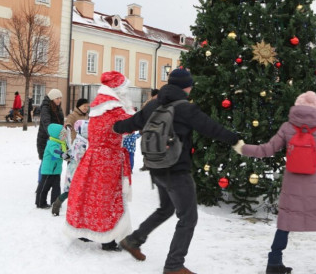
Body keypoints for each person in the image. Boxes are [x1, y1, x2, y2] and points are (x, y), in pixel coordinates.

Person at [114, 68, 239, 274]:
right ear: (186, 87)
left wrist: (114, 126)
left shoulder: (154, 104)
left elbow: (132, 123)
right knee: (188, 218)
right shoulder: (185, 108)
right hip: (177, 171)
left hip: (156, 167)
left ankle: (133, 240)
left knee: (166, 209)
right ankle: (173, 265)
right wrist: (234, 139)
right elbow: (210, 127)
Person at [233, 91, 316, 274]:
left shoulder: (287, 128)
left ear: (297, 107)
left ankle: (274, 263)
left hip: (292, 184)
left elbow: (267, 149)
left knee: (285, 223)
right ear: (315, 108)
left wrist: (243, 148)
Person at [65, 71, 134, 252]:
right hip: (108, 160)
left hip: (93, 157)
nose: (125, 92)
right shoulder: (113, 107)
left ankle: (85, 231)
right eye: (123, 88)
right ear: (116, 89)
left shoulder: (98, 105)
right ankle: (108, 239)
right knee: (107, 199)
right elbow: (130, 127)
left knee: (88, 195)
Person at [51, 120, 89, 216]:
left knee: (71, 190)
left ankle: (59, 203)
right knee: (74, 189)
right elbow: (78, 156)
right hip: (76, 169)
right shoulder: (82, 143)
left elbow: (72, 153)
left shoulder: (79, 139)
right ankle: (58, 204)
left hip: (73, 168)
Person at [35, 123, 68, 208]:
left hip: (56, 170)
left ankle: (55, 203)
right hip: (48, 170)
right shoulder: (52, 143)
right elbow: (55, 151)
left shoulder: (61, 143)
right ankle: (40, 203)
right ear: (57, 135)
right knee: (44, 187)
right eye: (63, 134)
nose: (65, 136)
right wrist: (62, 154)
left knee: (56, 188)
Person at [36, 89, 65, 160]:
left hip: (56, 138)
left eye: (60, 98)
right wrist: (53, 136)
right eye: (57, 98)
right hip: (46, 138)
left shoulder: (58, 107)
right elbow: (47, 123)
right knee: (46, 161)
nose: (59, 100)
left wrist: (63, 135)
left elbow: (61, 123)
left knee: (54, 161)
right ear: (52, 98)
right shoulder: (45, 108)